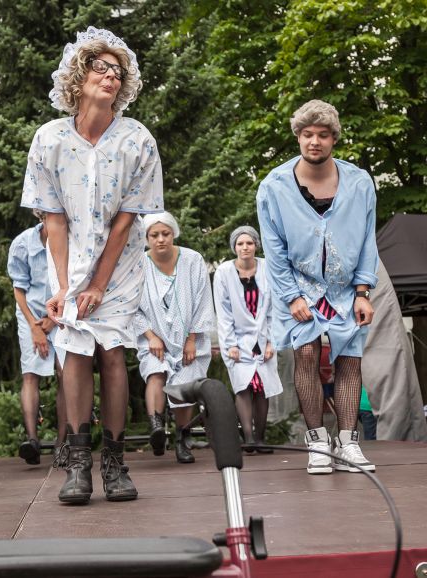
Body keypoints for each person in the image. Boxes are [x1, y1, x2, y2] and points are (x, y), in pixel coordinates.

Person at [22, 27, 163, 504]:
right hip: (70, 255)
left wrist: (99, 284)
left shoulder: (138, 139)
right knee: (76, 352)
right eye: (100, 68)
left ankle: (115, 463)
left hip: (120, 262)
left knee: (113, 353)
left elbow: (126, 222)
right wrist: (65, 285)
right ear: (78, 75)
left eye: (117, 72)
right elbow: (54, 220)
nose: (110, 76)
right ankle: (78, 464)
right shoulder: (49, 139)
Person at [257, 99, 378, 474]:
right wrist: (290, 296)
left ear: (333, 139)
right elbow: (273, 248)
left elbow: (367, 240)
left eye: (323, 135)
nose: (315, 141)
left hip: (346, 289)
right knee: (307, 354)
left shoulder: (359, 183)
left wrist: (363, 292)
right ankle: (318, 443)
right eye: (308, 134)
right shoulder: (274, 187)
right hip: (299, 286)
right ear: (298, 136)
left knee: (349, 360)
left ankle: (348, 442)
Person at [134, 212, 214, 464]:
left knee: (184, 383)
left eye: (165, 234)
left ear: (174, 234)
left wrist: (191, 339)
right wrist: (150, 336)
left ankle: (182, 438)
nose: (160, 239)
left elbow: (203, 300)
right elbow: (130, 304)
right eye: (154, 235)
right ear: (146, 238)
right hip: (153, 336)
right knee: (155, 372)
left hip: (189, 336)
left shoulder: (193, 260)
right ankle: (157, 428)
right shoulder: (137, 264)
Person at [213, 226, 283, 453]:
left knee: (262, 387)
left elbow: (275, 309)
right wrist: (230, 344)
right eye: (240, 243)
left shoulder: (267, 268)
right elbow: (223, 312)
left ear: (256, 245)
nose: (245, 247)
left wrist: (272, 341)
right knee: (243, 386)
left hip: (263, 337)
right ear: (234, 247)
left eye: (249, 243)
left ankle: (261, 438)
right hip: (238, 339)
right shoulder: (224, 272)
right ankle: (249, 438)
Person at [7, 210, 67, 465]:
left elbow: (75, 283)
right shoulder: (23, 243)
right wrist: (34, 326)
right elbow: (19, 289)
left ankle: (63, 443)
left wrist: (53, 321)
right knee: (31, 373)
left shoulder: (70, 241)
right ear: (40, 217)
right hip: (30, 314)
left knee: (66, 373)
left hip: (63, 314)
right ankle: (32, 440)